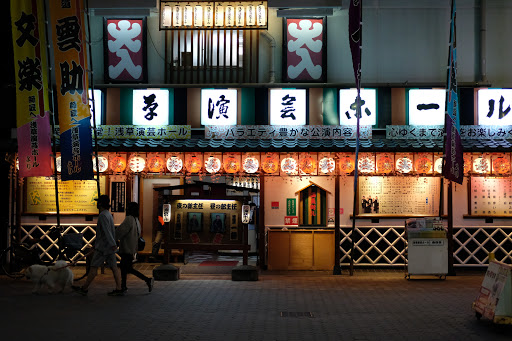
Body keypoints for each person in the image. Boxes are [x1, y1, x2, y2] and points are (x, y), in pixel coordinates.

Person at [72, 195, 124, 296]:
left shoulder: (102, 215)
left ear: (100, 204)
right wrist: (112, 244)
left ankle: (84, 288)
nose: (96, 203)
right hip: (108, 247)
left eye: (97, 202)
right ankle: (119, 288)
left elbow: (106, 232)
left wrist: (110, 244)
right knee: (114, 267)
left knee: (94, 267)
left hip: (103, 248)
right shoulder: (108, 214)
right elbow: (110, 232)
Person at [115, 202, 154, 293]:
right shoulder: (136, 220)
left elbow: (120, 231)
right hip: (132, 247)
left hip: (127, 247)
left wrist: (113, 238)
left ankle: (147, 280)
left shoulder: (129, 219)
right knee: (124, 268)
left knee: (127, 268)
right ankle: (123, 286)